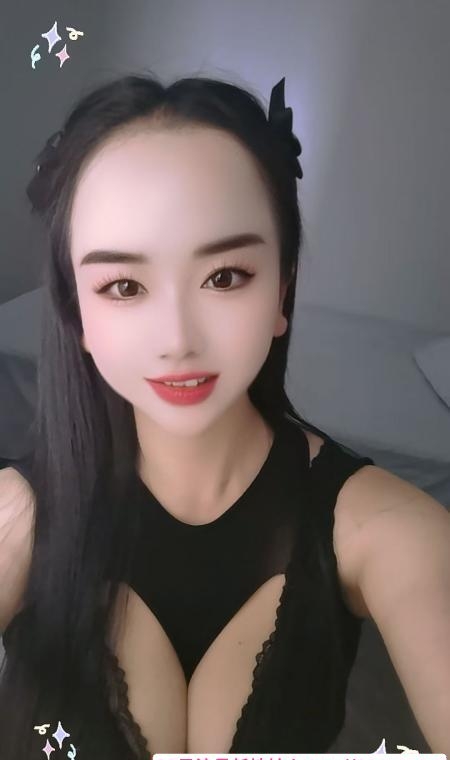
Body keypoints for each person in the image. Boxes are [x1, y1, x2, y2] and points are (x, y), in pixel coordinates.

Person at [0, 72, 447, 759]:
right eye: (124, 285)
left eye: (225, 277)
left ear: (282, 290)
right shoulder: (15, 519)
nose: (177, 339)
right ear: (76, 312)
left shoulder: (394, 532)